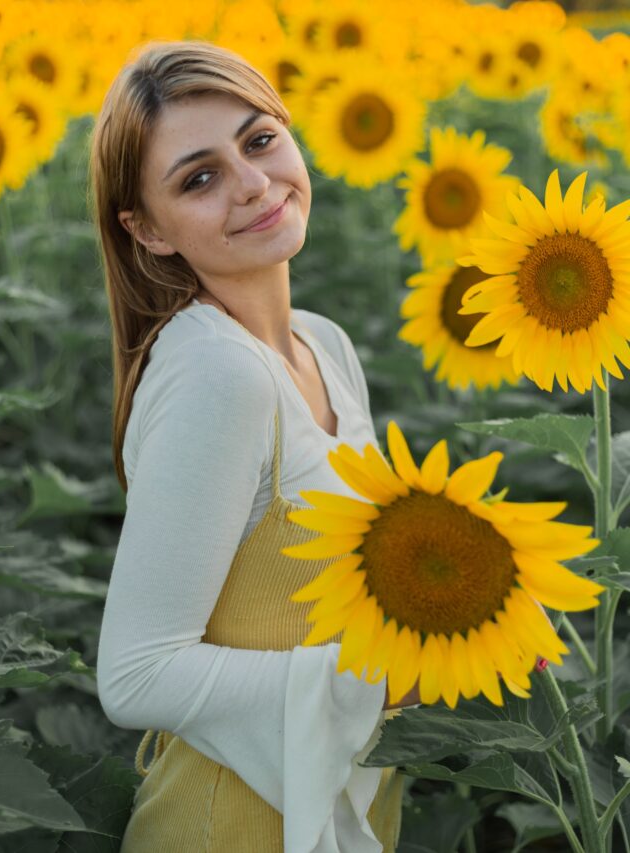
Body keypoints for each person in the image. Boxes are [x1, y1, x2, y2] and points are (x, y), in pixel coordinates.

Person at [91, 39, 420, 853]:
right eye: (197, 178)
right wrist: (396, 679)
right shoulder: (218, 375)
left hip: (336, 812)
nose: (251, 183)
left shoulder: (323, 347)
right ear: (148, 230)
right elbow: (135, 674)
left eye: (259, 139)